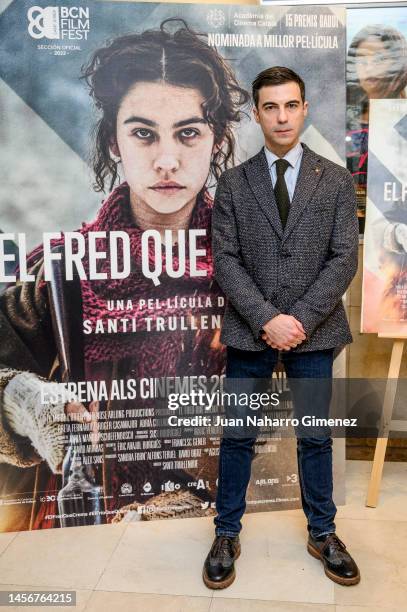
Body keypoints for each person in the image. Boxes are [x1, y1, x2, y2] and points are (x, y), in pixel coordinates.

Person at [0, 19, 250, 531]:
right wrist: (22, 400)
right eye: (142, 133)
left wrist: (198, 489)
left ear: (215, 142)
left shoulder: (249, 265)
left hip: (221, 525)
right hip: (79, 525)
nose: (165, 159)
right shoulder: (61, 267)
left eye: (188, 133)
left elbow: (293, 396)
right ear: (115, 144)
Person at [203, 67, 360, 589]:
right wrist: (267, 318)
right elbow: (225, 260)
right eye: (270, 107)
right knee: (237, 436)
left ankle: (324, 533)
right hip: (250, 332)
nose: (282, 116)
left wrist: (300, 320)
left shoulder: (335, 179)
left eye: (290, 105)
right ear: (256, 113)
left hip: (315, 333)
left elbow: (343, 259)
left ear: (305, 108)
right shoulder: (232, 181)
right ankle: (226, 534)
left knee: (315, 437)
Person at [346, 25, 407, 231]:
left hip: (394, 226)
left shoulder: (403, 120)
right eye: (362, 60)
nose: (370, 68)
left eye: (380, 59)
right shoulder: (346, 117)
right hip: (350, 224)